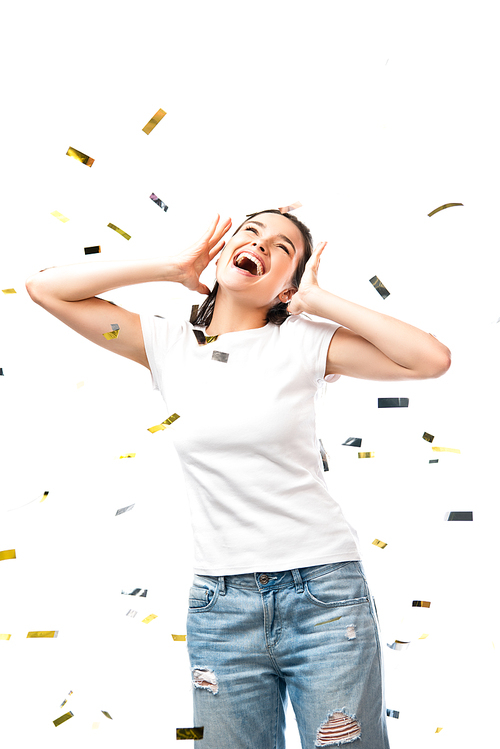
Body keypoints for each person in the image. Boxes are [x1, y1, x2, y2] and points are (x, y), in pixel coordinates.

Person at [25, 210, 451, 748]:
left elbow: (431, 360)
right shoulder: (166, 344)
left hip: (322, 595)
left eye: (283, 248)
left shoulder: (305, 342)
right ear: (227, 248)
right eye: (251, 233)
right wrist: (174, 268)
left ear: (285, 286)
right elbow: (45, 288)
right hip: (219, 607)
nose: (261, 245)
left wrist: (317, 302)